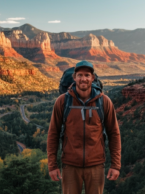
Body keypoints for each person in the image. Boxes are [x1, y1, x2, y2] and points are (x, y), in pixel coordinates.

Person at [47, 60, 122, 194]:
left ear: (92, 78)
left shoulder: (104, 102)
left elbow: (114, 134)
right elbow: (53, 134)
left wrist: (116, 165)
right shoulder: (62, 102)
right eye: (80, 75)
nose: (83, 79)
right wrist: (52, 165)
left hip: (96, 165)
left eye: (87, 75)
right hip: (70, 165)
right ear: (74, 77)